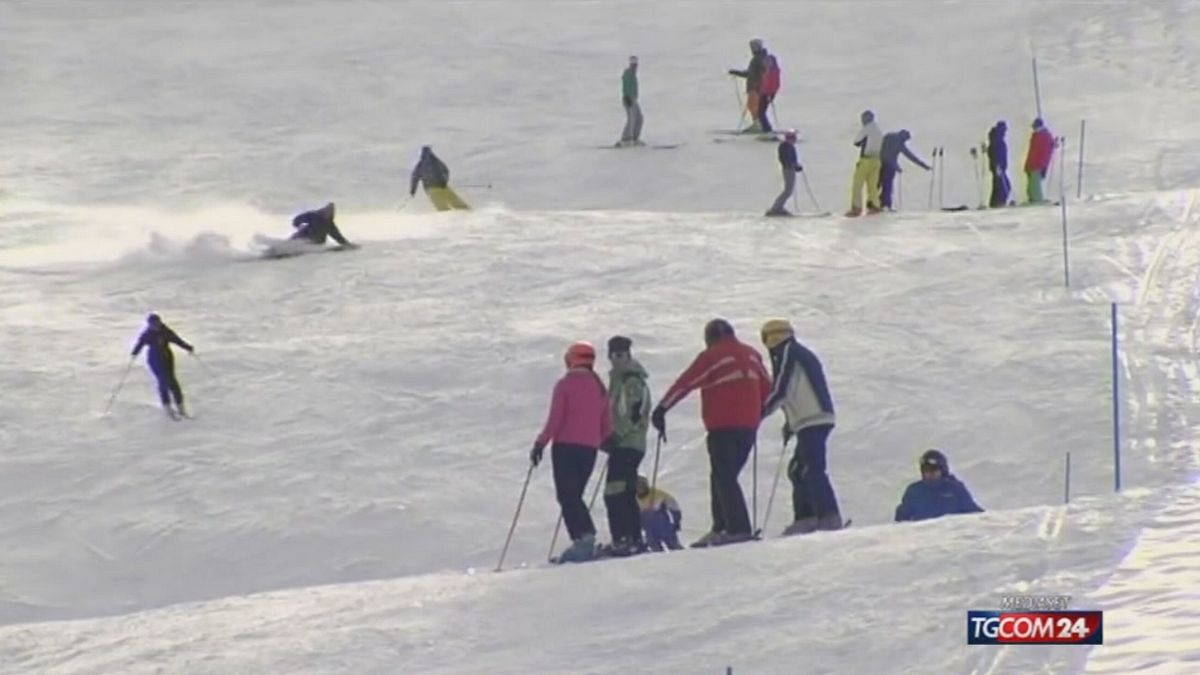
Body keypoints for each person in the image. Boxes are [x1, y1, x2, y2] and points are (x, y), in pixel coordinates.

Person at [651, 319, 770, 548]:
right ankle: (721, 526)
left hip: (723, 425)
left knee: (723, 476)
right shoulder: (752, 354)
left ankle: (736, 528)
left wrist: (662, 408)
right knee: (724, 475)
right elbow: (767, 388)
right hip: (748, 427)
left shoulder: (713, 356)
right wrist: (758, 412)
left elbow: (686, 382)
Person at [530, 342, 612, 563]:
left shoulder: (565, 384)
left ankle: (584, 539)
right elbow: (606, 422)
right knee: (575, 495)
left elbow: (555, 419)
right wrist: (605, 440)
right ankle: (585, 538)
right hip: (590, 449)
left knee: (567, 495)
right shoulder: (599, 387)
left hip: (566, 446)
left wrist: (540, 444)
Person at [760, 319, 843, 534]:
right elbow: (796, 389)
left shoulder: (789, 352)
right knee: (799, 470)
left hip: (812, 419)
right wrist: (790, 423)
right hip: (811, 419)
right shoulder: (796, 352)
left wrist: (761, 412)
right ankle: (808, 517)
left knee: (812, 468)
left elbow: (782, 387)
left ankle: (827, 516)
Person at [599, 335, 652, 556]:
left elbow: (633, 412)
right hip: (624, 443)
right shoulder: (619, 379)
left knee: (615, 491)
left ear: (629, 355)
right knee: (623, 490)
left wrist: (615, 435)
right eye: (613, 355)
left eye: (621, 355)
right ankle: (630, 537)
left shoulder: (632, 380)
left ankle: (625, 538)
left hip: (628, 443)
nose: (616, 359)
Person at [130, 313, 194, 419]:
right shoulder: (147, 334)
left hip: (167, 358)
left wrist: (187, 347)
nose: (155, 326)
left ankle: (181, 409)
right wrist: (135, 353)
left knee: (173, 382)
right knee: (163, 381)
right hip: (154, 359)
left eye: (157, 323)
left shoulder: (165, 331)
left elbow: (177, 340)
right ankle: (167, 407)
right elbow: (140, 343)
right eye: (153, 324)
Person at [894, 449, 984, 522]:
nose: (929, 474)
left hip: (952, 539)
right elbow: (902, 519)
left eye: (933, 470)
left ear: (943, 470)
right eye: (926, 471)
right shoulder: (915, 491)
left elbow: (973, 514)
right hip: (922, 538)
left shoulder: (955, 489)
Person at [879, 130, 931, 211]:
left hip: (878, 163)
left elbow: (883, 151)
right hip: (888, 166)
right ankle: (886, 204)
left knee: (878, 184)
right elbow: (910, 156)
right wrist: (895, 166)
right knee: (887, 185)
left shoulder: (888, 136)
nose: (905, 142)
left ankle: (876, 203)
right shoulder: (899, 143)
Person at [409, 146, 471, 211]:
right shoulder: (436, 161)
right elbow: (446, 170)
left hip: (430, 189)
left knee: (440, 205)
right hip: (442, 186)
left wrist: (413, 191)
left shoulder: (420, 165)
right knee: (454, 200)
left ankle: (448, 216)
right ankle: (466, 211)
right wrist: (445, 181)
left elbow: (414, 178)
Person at [847, 110, 883, 217]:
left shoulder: (867, 129)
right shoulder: (879, 130)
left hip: (865, 160)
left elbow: (856, 142)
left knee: (857, 184)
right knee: (872, 185)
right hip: (877, 160)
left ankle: (856, 208)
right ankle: (874, 206)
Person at [728, 39, 769, 133]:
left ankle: (757, 125)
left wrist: (757, 83)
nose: (751, 49)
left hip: (755, 87)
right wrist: (736, 73)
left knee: (753, 106)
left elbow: (759, 72)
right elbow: (750, 74)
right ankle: (758, 124)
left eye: (753, 47)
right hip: (755, 87)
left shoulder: (757, 59)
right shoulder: (760, 58)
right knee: (752, 106)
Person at [636, 475, 683, 551]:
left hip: (664, 526)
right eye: (637, 486)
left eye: (642, 485)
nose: (640, 488)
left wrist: (676, 521)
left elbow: (674, 507)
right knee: (654, 548)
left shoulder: (658, 494)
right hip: (649, 530)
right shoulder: (633, 499)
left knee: (673, 545)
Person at [765, 129, 802, 217]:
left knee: (788, 190)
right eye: (793, 137)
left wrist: (797, 166)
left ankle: (777, 207)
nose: (795, 139)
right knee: (788, 191)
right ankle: (776, 208)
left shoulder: (789, 146)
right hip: (788, 170)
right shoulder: (785, 146)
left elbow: (792, 159)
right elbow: (786, 159)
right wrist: (794, 165)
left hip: (790, 169)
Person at [1024, 118, 1055, 204]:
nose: (1033, 128)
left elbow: (1042, 152)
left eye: (1035, 126)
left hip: (1037, 164)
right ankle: (1033, 199)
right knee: (1031, 185)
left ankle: (1037, 200)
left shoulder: (1043, 136)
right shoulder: (1036, 136)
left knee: (1035, 185)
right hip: (1032, 164)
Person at [617, 56, 644, 146]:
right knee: (631, 119)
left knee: (639, 118)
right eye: (633, 64)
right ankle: (626, 138)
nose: (634, 66)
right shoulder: (628, 73)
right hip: (629, 99)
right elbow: (626, 85)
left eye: (635, 64)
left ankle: (635, 138)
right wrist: (626, 96)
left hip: (634, 99)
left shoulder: (633, 74)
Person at [986, 121, 1011, 207]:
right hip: (998, 166)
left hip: (998, 166)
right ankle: (999, 202)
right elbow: (996, 154)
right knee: (1003, 186)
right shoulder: (997, 139)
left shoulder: (996, 138)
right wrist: (998, 165)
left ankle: (995, 202)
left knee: (999, 185)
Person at [757, 50, 781, 133]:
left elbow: (774, 85)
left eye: (768, 62)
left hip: (767, 94)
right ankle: (765, 127)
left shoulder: (773, 72)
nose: (766, 63)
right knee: (760, 112)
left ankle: (767, 128)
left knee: (760, 112)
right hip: (764, 93)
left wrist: (770, 95)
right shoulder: (768, 71)